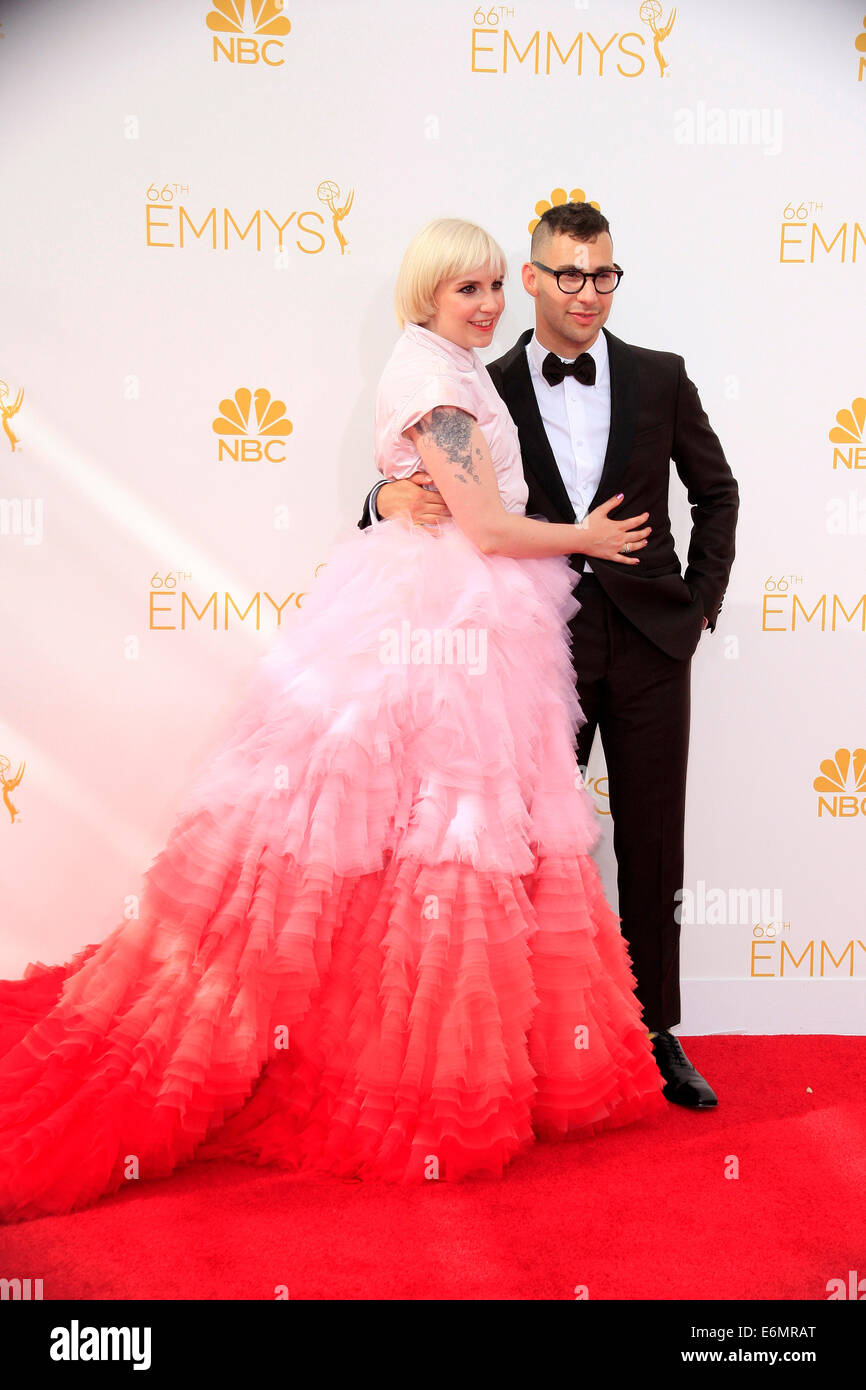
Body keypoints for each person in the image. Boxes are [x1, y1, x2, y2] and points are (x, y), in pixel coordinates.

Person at [0, 218, 665, 1226]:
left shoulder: (451, 364)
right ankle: (398, 1082)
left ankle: (391, 1061)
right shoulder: (433, 374)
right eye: (464, 291)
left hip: (465, 614)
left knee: (426, 841)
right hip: (439, 616)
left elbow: (451, 497)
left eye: (493, 285)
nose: (486, 304)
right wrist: (588, 538)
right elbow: (484, 526)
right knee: (426, 831)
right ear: (425, 297)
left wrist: (399, 495)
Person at [361, 203, 739, 1108]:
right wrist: (381, 498)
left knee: (652, 843)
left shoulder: (660, 377)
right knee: (524, 849)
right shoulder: (478, 382)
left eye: (603, 274)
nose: (587, 292)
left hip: (651, 643)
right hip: (535, 650)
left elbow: (717, 492)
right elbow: (427, 488)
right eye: (567, 274)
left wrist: (697, 610)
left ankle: (654, 1035)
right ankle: (527, 1041)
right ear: (532, 279)